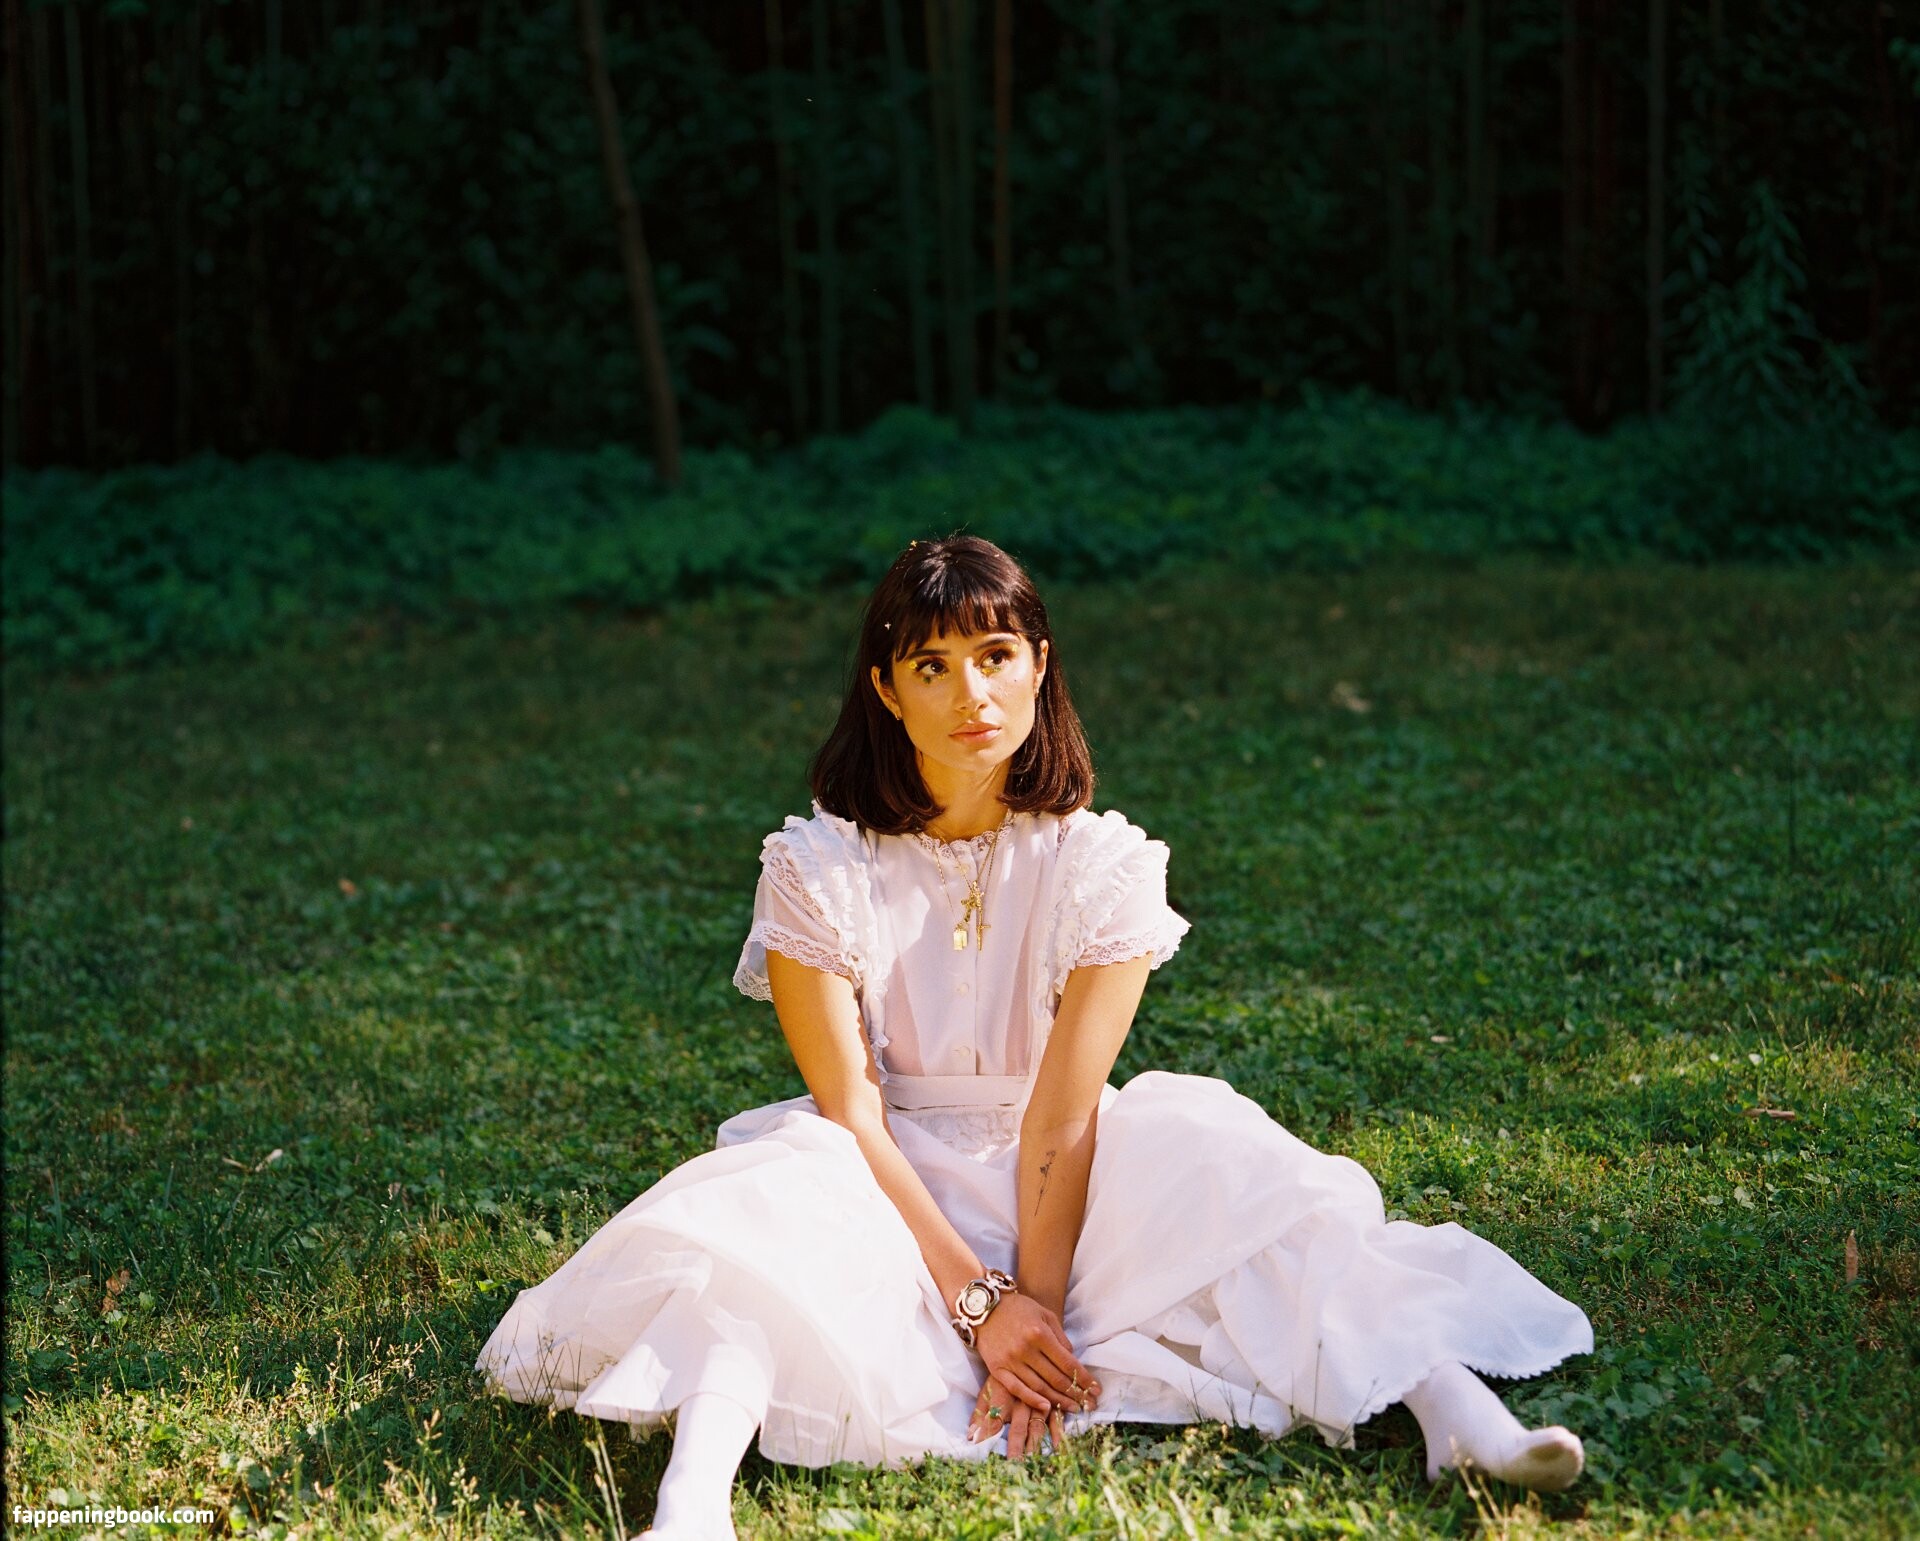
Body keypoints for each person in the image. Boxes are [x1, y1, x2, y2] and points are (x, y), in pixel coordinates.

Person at [475, 535, 1594, 1539]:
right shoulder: (818, 867)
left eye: (996, 655)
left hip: (1066, 1179)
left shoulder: (1103, 867)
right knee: (773, 1221)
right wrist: (980, 1304)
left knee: (1229, 1162)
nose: (972, 692)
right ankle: (692, 1506)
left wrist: (1037, 1314)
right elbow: (854, 1109)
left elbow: (1062, 1115)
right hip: (886, 1179)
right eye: (932, 666)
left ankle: (1458, 1413)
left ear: (1039, 664)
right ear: (887, 690)